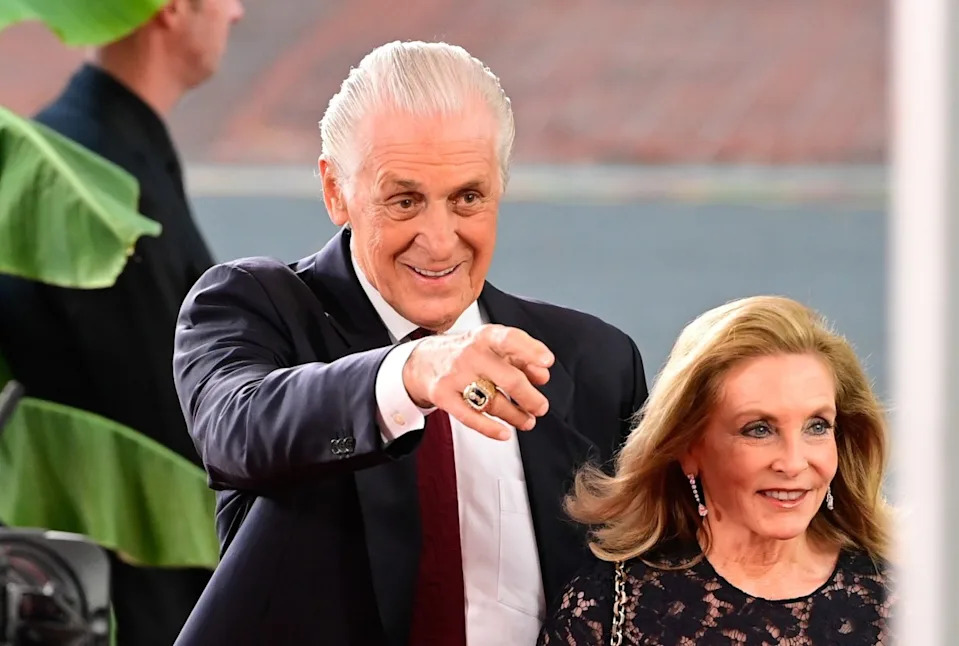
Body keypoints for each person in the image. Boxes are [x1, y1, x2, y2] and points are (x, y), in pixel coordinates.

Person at [170, 40, 649, 646]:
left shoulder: (595, 359)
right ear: (335, 190)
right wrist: (412, 372)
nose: (440, 240)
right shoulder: (254, 305)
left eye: (467, 198)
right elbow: (236, 428)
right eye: (405, 201)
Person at [0, 2, 244, 645]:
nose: (238, 13)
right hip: (121, 592)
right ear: (168, 9)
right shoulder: (95, 181)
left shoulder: (82, 154)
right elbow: (174, 421)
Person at [538, 296, 895, 645]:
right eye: (758, 429)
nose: (793, 463)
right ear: (687, 448)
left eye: (817, 426)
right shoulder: (608, 609)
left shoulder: (906, 602)